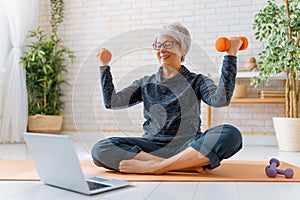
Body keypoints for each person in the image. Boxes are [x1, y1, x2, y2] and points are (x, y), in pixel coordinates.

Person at [92, 22, 243, 174]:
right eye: (157, 46)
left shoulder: (198, 81)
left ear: (183, 49)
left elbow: (220, 100)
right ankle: (177, 164)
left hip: (189, 146)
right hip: (151, 148)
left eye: (168, 44)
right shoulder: (145, 83)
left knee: (231, 134)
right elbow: (112, 102)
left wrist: (231, 56)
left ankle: (156, 167)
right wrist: (104, 66)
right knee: (100, 149)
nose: (161, 50)